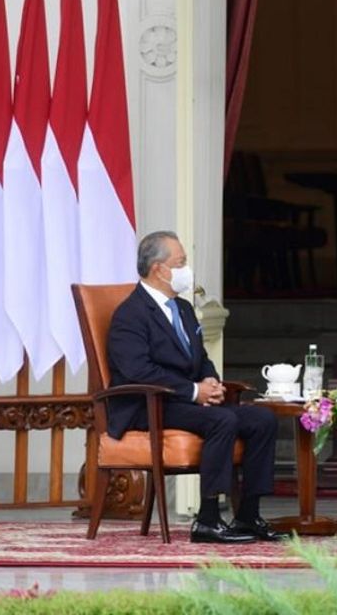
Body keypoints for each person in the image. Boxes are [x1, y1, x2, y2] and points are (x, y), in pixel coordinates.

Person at [106, 231, 282, 544]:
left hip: (186, 402)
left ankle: (248, 515)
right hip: (148, 406)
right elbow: (139, 371)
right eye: (181, 263)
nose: (187, 269)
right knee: (222, 420)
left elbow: (199, 358)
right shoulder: (130, 315)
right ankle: (208, 520)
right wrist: (192, 391)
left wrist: (211, 382)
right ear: (160, 269)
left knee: (261, 419)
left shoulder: (184, 309)